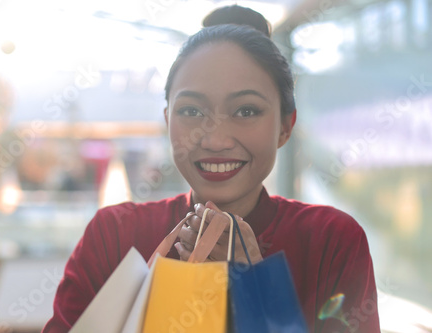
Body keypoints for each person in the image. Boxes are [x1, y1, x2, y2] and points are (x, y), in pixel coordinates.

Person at [43, 5, 380, 333]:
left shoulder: (330, 241)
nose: (215, 139)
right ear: (167, 121)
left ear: (285, 127)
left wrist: (254, 288)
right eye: (192, 111)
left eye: (246, 111)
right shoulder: (114, 235)